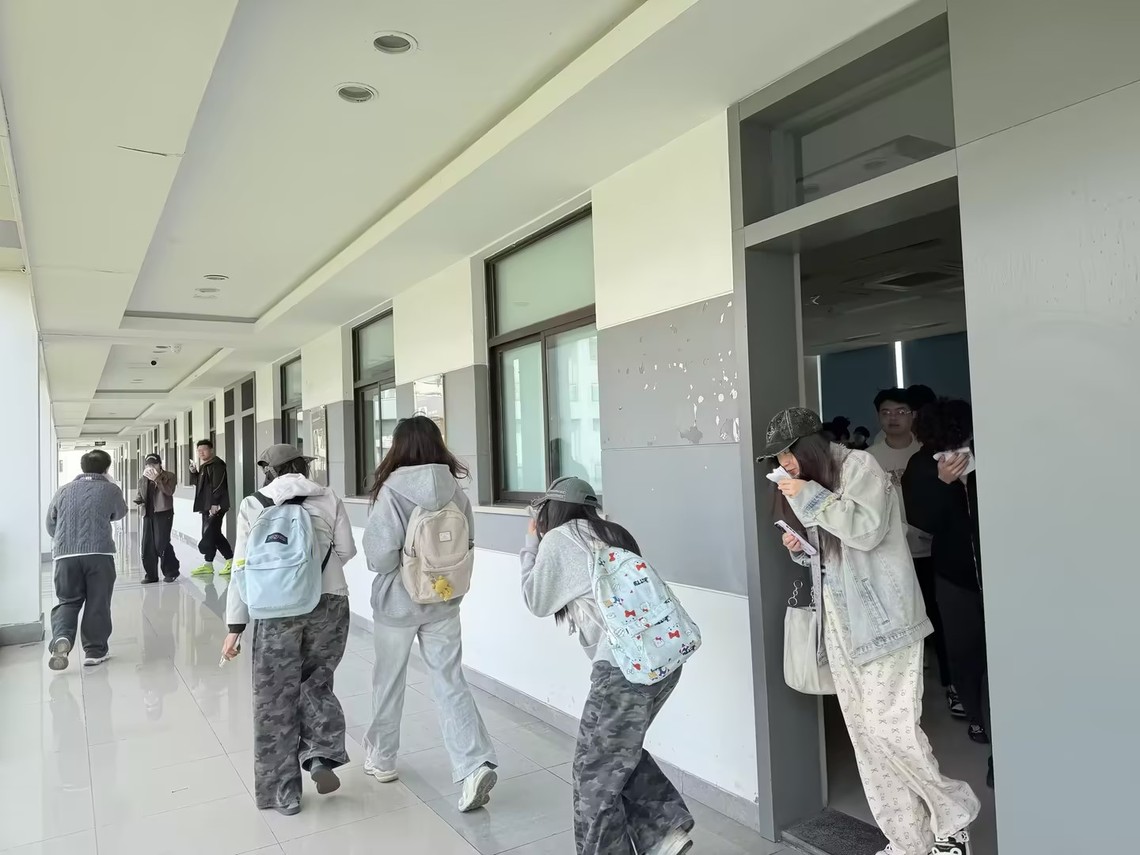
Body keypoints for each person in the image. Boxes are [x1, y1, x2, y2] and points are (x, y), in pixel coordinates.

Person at [764, 407, 978, 855]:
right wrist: (801, 548)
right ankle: (907, 841)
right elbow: (832, 557)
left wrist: (809, 498)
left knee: (890, 731)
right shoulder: (813, 484)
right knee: (865, 739)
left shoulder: (858, 466)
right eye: (778, 458)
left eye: (787, 453)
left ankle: (955, 815)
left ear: (810, 446)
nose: (783, 464)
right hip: (841, 627)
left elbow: (865, 532)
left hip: (886, 623)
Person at [520, 477, 693, 855]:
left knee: (593, 774)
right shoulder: (613, 534)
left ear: (553, 509)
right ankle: (662, 830)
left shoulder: (560, 539)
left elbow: (535, 599)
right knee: (615, 754)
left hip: (621, 671)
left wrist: (531, 543)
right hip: (661, 662)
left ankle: (656, 834)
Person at [361, 416, 498, 812]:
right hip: (444, 601)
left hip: (398, 603)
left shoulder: (392, 491)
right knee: (450, 681)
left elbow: (378, 557)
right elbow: (467, 543)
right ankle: (473, 764)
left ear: (398, 447)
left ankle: (383, 759)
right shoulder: (455, 490)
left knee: (388, 682)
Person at [221, 444, 356, 816]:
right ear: (302, 467)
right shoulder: (328, 496)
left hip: (274, 607)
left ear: (269, 470)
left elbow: (241, 567)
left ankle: (283, 793)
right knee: (317, 680)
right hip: (329, 601)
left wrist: (235, 625)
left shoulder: (254, 504)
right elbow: (347, 551)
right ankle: (320, 753)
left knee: (274, 697)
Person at [902, 400, 993, 786]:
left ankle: (1004, 732)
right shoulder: (923, 466)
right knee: (965, 652)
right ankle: (980, 720)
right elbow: (923, 520)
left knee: (1002, 655)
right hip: (955, 575)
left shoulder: (989, 453)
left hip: (1003, 573)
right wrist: (942, 482)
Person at [868, 388, 957, 716]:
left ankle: (953, 685)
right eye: (886, 412)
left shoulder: (929, 452)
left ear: (914, 416)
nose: (893, 418)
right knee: (899, 624)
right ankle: (902, 693)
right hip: (891, 554)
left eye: (901, 411)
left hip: (932, 550)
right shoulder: (869, 458)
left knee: (943, 620)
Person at [44, 449, 128, 670]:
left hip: (65, 556)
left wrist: (65, 540)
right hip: (99, 554)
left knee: (67, 601)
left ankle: (62, 637)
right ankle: (94, 651)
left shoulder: (63, 490)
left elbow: (51, 523)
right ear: (106, 468)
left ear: (82, 468)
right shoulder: (110, 489)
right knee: (98, 601)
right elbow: (120, 513)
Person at [189, 439, 233, 577]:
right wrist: (194, 472)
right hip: (206, 506)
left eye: (204, 450)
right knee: (211, 534)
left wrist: (215, 503)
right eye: (199, 450)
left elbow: (218, 485)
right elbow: (199, 484)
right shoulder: (204, 466)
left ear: (211, 450)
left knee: (213, 534)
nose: (201, 453)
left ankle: (230, 561)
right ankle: (208, 564)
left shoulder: (217, 464)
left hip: (216, 506)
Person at [134, 453, 180, 583]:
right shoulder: (143, 479)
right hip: (148, 513)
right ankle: (151, 575)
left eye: (154, 464)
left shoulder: (169, 476)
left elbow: (169, 491)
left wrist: (157, 479)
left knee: (161, 543)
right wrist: (138, 500)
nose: (151, 467)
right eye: (148, 465)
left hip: (164, 513)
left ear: (160, 464)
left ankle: (172, 571)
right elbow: (140, 494)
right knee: (147, 545)